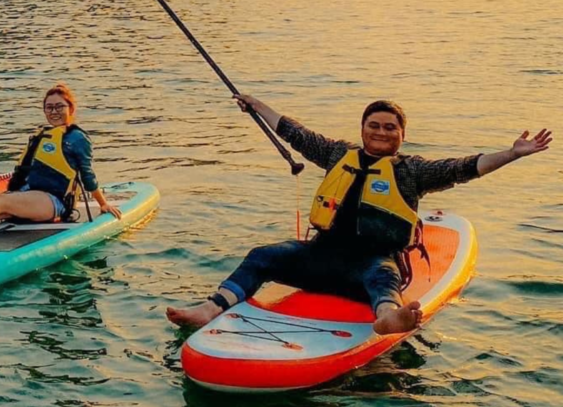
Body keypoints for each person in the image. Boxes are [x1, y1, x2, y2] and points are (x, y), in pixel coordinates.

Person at [167, 94, 552, 335]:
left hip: (371, 262)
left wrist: (512, 153)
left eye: (390, 127)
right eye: (374, 125)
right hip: (320, 257)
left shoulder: (412, 170)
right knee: (264, 255)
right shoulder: (338, 155)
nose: (382, 132)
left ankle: (388, 318)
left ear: (402, 133)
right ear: (363, 129)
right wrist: (256, 105)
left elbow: (465, 167)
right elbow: (294, 133)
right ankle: (209, 309)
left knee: (382, 277)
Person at [0, 83, 121, 238]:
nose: (54, 111)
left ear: (71, 108)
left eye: (59, 106)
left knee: (1, 202)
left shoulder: (77, 138)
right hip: (31, 195)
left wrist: (102, 204)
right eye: (49, 107)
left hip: (54, 201)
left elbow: (87, 174)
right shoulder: (43, 135)